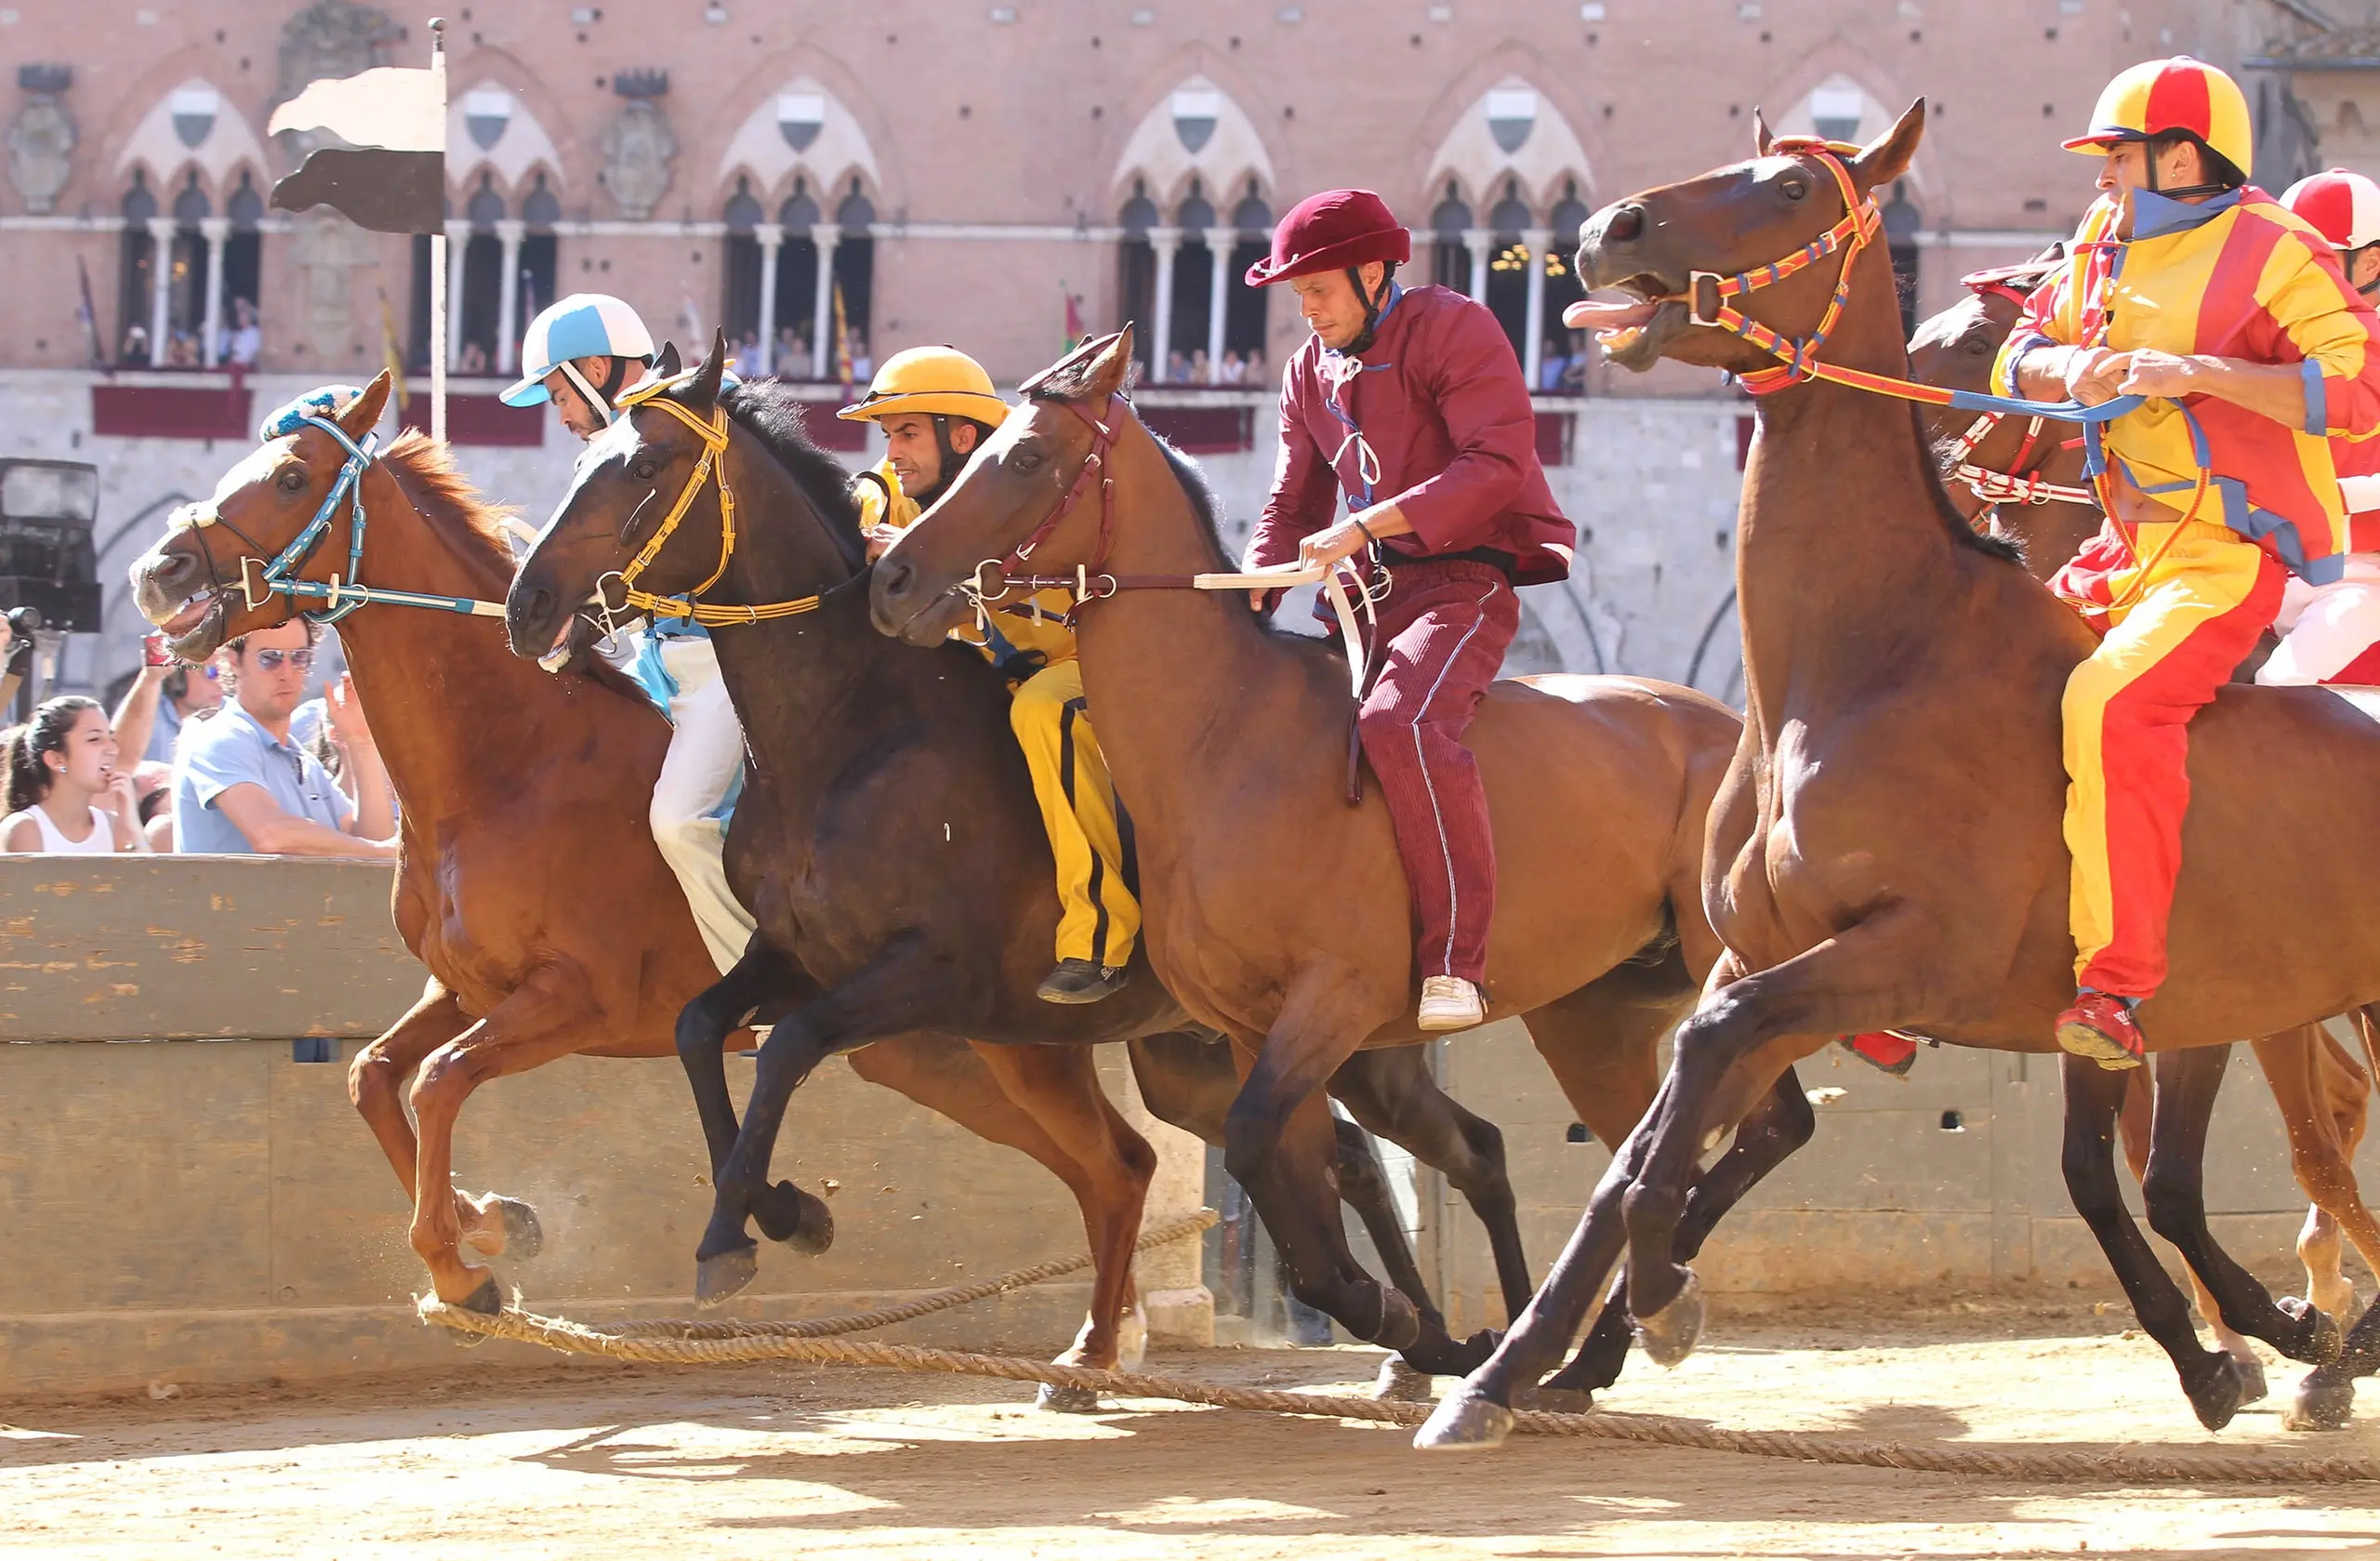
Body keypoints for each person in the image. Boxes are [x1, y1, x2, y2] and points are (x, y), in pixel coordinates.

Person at [1994, 58, 2380, 1067]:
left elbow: (2355, 390)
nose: (2099, 179)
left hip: (2222, 557)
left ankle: (2117, 990)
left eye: (2115, 156)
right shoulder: (2097, 239)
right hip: (2115, 544)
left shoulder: (2278, 247)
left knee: (2113, 706)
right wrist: (2068, 366)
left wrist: (2204, 374)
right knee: (1977, 676)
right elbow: (2015, 353)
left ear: (2178, 154)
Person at [1240, 188, 1576, 1030]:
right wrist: (1252, 583)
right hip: (1360, 606)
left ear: (1377, 272)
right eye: (1298, 294)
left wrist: (1362, 526)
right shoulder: (1304, 371)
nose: (1306, 309)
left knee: (1401, 725)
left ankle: (1456, 966)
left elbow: (1496, 462)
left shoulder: (1454, 325)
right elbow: (1289, 506)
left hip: (1462, 586)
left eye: (1319, 288)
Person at [844, 346, 1143, 1002]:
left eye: (908, 433)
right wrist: (854, 503)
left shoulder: (1024, 493)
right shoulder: (908, 488)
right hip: (1010, 684)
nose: (894, 451)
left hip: (1096, 669)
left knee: (1044, 709)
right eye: (888, 435)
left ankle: (1100, 939)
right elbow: (868, 495)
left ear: (963, 436)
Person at [503, 292, 756, 972]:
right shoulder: (609, 454)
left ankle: (762, 987)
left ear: (595, 367)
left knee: (681, 821)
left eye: (560, 394)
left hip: (728, 660)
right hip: (655, 657)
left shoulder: (703, 414)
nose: (559, 415)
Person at [2261, 166, 2380, 688]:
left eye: (2320, 261)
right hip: (2263, 564)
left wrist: (2317, 493)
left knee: (2278, 687)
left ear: (2372, 262)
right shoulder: (2272, 346)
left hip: (2359, 577)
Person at [171, 617, 395, 856]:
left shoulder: (304, 762)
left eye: (299, 657)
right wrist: (378, 851)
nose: (287, 673)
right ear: (234, 662)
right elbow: (269, 835)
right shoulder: (220, 737)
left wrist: (361, 744)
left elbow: (373, 842)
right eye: (270, 658)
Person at [1, 695, 149, 853]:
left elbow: (150, 876)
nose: (113, 750)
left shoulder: (112, 825)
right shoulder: (26, 828)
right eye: (94, 739)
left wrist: (132, 825)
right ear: (56, 760)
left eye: (111, 738)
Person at [226, 298, 261, 368]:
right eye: (240, 317)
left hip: (247, 366)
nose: (241, 320)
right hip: (235, 364)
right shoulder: (237, 334)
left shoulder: (255, 333)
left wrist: (248, 363)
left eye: (244, 317)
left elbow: (256, 350)